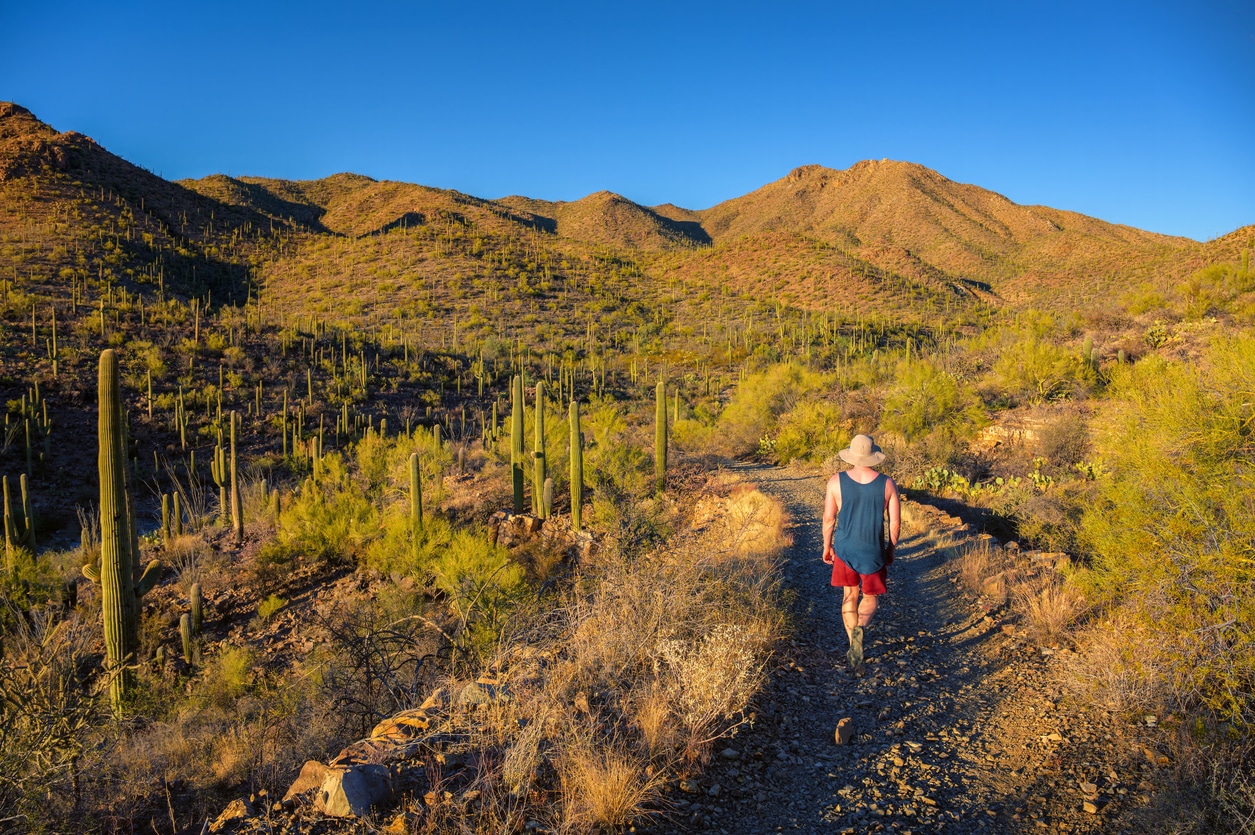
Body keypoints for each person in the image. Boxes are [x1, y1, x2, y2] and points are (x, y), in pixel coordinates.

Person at [822, 434, 900, 671]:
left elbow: (828, 519)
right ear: (873, 455)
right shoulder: (887, 483)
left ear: (852, 455)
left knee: (850, 595)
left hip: (845, 549)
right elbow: (894, 523)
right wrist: (890, 549)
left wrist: (827, 546)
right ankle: (861, 630)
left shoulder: (836, 481)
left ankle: (852, 642)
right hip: (873, 550)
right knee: (871, 597)